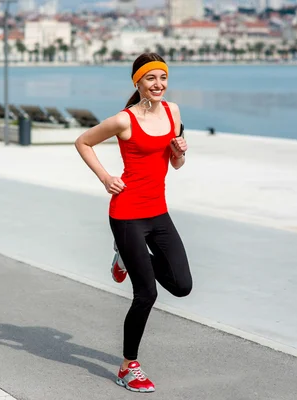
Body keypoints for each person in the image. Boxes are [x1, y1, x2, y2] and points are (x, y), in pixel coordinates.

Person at [74, 52, 193, 393]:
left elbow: (177, 164)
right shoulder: (123, 120)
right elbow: (83, 141)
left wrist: (180, 151)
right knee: (146, 293)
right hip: (126, 213)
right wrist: (105, 177)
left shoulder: (173, 112)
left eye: (163, 78)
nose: (159, 84)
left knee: (182, 285)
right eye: (151, 78)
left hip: (158, 211)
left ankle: (128, 257)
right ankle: (128, 367)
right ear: (137, 82)